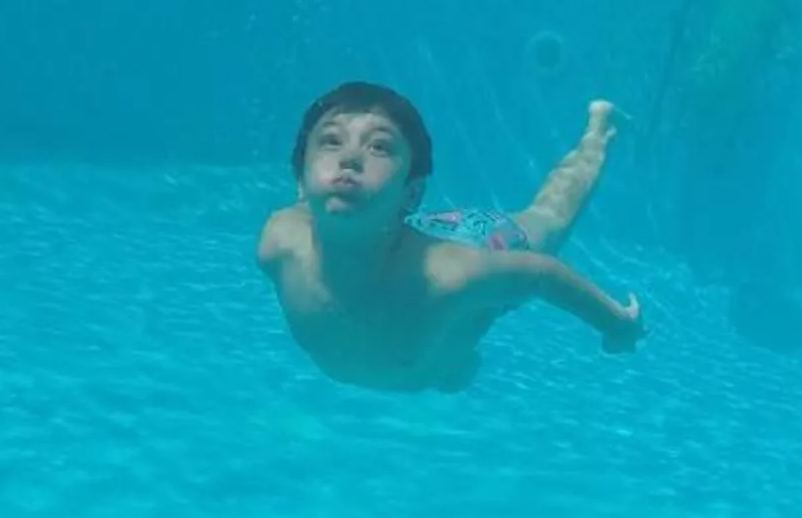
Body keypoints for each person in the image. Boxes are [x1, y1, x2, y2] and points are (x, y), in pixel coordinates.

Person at [255, 82, 640, 391]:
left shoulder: (449, 277)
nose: (350, 158)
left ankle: (600, 130)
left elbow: (541, 273)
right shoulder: (279, 244)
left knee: (547, 218)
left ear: (412, 193)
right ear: (301, 184)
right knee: (453, 372)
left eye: (379, 146)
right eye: (331, 141)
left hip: (478, 239)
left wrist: (617, 324)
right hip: (407, 237)